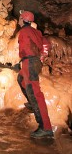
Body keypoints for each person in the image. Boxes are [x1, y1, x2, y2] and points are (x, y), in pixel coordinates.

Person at [17, 10, 53, 138]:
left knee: (35, 93)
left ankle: (45, 127)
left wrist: (26, 59)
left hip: (30, 62)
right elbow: (45, 43)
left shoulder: (24, 31)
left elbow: (24, 48)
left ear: (23, 19)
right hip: (33, 61)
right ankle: (32, 104)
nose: (18, 19)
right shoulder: (36, 31)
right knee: (20, 78)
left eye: (20, 18)